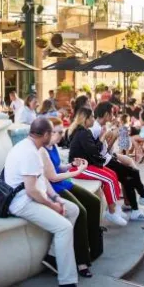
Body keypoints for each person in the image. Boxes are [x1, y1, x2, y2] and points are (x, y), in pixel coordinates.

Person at [4, 117, 79, 287]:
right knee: (64, 227)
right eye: (52, 132)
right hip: (22, 203)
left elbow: (42, 181)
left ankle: (53, 256)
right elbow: (32, 190)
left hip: (31, 197)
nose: (54, 135)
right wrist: (53, 206)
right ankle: (68, 281)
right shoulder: (29, 152)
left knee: (73, 210)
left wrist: (56, 198)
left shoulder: (31, 147)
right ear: (45, 134)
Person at [40, 118, 101, 277]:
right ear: (48, 133)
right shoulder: (42, 151)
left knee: (94, 202)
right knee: (79, 211)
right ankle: (81, 261)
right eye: (58, 132)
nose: (62, 135)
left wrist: (72, 165)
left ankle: (93, 248)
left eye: (62, 131)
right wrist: (76, 172)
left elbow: (58, 167)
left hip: (62, 183)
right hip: (52, 188)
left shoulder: (53, 146)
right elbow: (52, 177)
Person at [91, 102, 144, 220]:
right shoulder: (96, 128)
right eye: (112, 114)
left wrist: (112, 138)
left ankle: (136, 209)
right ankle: (143, 197)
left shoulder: (101, 127)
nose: (113, 116)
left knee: (129, 178)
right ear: (106, 114)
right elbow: (96, 152)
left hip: (107, 159)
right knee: (133, 173)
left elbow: (104, 150)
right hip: (104, 162)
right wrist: (111, 138)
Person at [68, 107, 126, 226]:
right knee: (109, 179)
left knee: (113, 174)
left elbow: (94, 150)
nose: (94, 120)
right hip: (79, 168)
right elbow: (94, 151)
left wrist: (102, 137)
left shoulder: (84, 131)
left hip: (86, 165)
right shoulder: (82, 133)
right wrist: (103, 136)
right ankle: (111, 211)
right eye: (92, 117)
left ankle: (114, 207)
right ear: (86, 119)